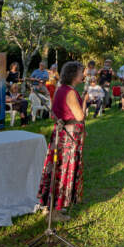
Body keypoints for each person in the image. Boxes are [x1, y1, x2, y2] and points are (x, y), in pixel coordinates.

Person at [37, 61, 86, 222]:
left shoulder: (60, 89)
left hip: (60, 133)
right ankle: (54, 211)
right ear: (73, 74)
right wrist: (85, 100)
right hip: (68, 137)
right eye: (81, 72)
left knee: (56, 170)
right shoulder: (70, 92)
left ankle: (51, 207)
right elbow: (80, 116)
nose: (83, 74)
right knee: (63, 171)